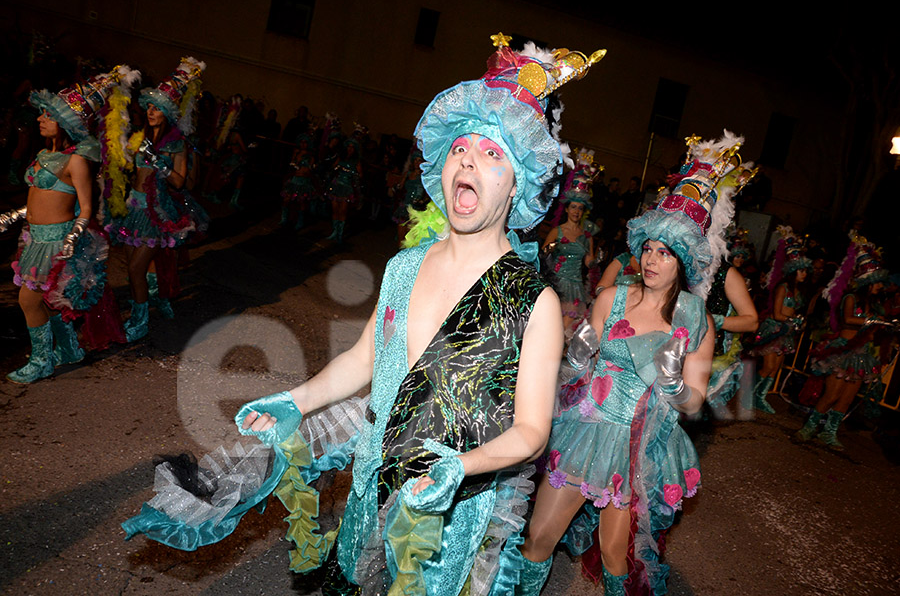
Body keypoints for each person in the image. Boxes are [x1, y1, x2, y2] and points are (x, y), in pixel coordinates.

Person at [122, 34, 605, 595]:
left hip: (448, 521)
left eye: (493, 153)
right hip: (374, 478)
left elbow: (531, 431)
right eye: (460, 148)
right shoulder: (404, 266)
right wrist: (295, 400)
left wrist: (460, 468)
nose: (469, 159)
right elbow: (367, 357)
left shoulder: (534, 301)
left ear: (519, 181)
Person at [518, 133, 751, 595]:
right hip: (586, 429)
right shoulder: (610, 297)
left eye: (665, 252)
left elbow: (694, 404)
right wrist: (577, 356)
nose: (651, 259)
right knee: (539, 538)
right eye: (648, 248)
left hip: (636, 448)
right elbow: (575, 366)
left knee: (613, 552)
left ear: (683, 259)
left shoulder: (694, 318)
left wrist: (672, 384)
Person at [2, 66, 137, 383]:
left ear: (66, 123)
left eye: (48, 116)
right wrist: (15, 215)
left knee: (28, 300)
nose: (40, 119)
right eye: (42, 115)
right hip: (34, 238)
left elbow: (86, 207)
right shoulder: (42, 155)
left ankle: (41, 361)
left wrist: (73, 237)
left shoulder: (76, 160)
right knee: (45, 300)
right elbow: (43, 199)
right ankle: (70, 348)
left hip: (57, 241)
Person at [104, 57, 205, 342]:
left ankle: (140, 319)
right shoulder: (139, 137)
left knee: (136, 267)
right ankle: (152, 300)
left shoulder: (176, 144)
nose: (150, 111)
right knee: (133, 266)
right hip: (133, 208)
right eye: (148, 106)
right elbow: (127, 167)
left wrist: (159, 164)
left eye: (156, 108)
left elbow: (180, 181)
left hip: (156, 212)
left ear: (167, 113)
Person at [796, 234, 890, 449]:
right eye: (876, 283)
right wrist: (872, 320)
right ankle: (808, 428)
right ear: (867, 282)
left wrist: (884, 326)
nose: (879, 287)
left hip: (861, 356)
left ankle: (829, 432)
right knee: (832, 394)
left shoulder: (875, 306)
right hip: (842, 353)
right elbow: (848, 319)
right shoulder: (851, 298)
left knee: (846, 399)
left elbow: (873, 332)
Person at [747, 226, 811, 413]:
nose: (805, 274)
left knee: (775, 369)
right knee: (767, 367)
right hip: (775, 329)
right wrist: (794, 319)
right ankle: (748, 395)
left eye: (805, 271)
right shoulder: (782, 287)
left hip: (786, 332)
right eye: (802, 271)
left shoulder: (797, 290)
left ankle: (760, 397)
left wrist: (798, 321)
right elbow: (776, 313)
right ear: (793, 271)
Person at [542, 159, 600, 335]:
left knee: (563, 330)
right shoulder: (557, 231)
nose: (576, 211)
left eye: (580, 208)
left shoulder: (586, 235)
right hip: (556, 284)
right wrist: (551, 247)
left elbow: (588, 261)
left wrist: (596, 261)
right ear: (567, 209)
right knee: (548, 326)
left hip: (575, 287)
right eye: (573, 207)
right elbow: (543, 254)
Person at [705, 229, 759, 415]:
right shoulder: (673, 264)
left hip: (705, 358)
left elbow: (751, 322)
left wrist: (711, 320)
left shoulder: (726, 274)